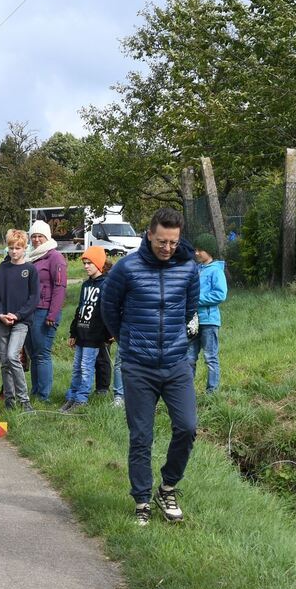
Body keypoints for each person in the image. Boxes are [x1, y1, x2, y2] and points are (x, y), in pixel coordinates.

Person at [101, 207, 200, 526]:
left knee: (187, 428)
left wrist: (172, 340)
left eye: (173, 242)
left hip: (176, 363)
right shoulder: (126, 269)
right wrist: (127, 339)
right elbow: (109, 308)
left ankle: (168, 487)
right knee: (141, 436)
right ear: (148, 234)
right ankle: (142, 499)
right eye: (161, 241)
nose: (167, 248)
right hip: (138, 367)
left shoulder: (188, 268)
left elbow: (190, 309)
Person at [0, 230, 39, 412]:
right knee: (5, 362)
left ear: (24, 248)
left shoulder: (30, 270)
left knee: (13, 357)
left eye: (18, 248)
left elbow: (34, 298)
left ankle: (24, 400)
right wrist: (0, 314)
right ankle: (10, 402)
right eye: (11, 248)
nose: (14, 251)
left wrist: (17, 315)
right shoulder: (1, 270)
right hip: (2, 321)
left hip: (21, 322)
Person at [60, 247, 110, 414]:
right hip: (81, 333)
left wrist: (108, 334)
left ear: (99, 264)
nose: (86, 266)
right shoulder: (86, 285)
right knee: (77, 368)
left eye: (90, 263)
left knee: (86, 367)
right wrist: (73, 332)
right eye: (85, 263)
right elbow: (80, 309)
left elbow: (108, 311)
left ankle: (81, 399)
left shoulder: (106, 285)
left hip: (94, 335)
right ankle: (72, 397)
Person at [24, 219, 67, 404]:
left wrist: (52, 314)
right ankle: (35, 391)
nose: (36, 240)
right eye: (33, 236)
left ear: (47, 237)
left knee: (42, 354)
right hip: (30, 312)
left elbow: (60, 287)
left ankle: (44, 396)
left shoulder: (55, 257)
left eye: (39, 236)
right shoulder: (30, 256)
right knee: (33, 354)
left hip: (45, 312)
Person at [188, 234, 227, 394]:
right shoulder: (196, 269)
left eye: (200, 250)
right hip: (194, 322)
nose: (196, 253)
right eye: (195, 250)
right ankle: (187, 392)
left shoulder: (216, 271)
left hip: (209, 321)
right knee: (189, 358)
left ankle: (212, 392)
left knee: (210, 357)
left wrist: (196, 299)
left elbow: (220, 294)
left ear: (209, 251)